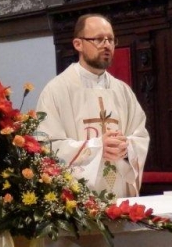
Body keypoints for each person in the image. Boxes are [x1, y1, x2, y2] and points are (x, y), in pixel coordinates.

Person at [36, 13, 149, 197]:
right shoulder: (56, 90)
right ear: (78, 44)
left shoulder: (122, 91)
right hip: (77, 201)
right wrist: (97, 146)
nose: (107, 45)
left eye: (110, 39)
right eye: (98, 39)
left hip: (120, 194)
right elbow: (47, 146)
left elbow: (140, 136)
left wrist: (126, 148)